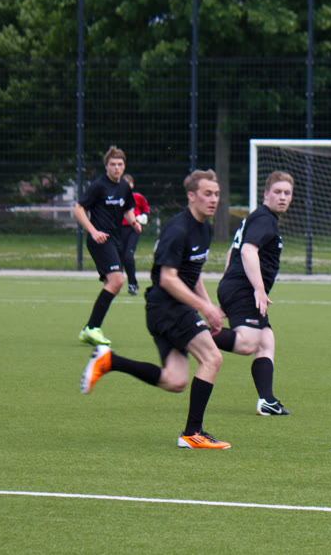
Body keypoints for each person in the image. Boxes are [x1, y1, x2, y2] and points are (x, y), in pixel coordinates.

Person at [80, 169, 231, 449]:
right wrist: (204, 308)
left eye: (217, 194)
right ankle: (192, 433)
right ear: (191, 196)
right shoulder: (178, 229)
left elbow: (193, 273)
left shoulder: (204, 228)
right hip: (168, 308)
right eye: (208, 194)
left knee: (175, 380)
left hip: (172, 308)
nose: (214, 199)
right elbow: (168, 279)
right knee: (212, 358)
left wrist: (208, 305)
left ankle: (110, 361)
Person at [211, 171, 294, 416]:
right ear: (266, 194)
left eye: (287, 193)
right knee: (248, 343)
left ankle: (266, 401)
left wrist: (227, 288)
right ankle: (188, 333)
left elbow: (231, 253)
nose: (282, 197)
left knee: (266, 340)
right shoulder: (264, 218)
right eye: (277, 192)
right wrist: (258, 288)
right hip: (245, 288)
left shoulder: (258, 218)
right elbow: (247, 251)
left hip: (235, 287)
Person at [73, 146, 142, 346]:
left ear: (124, 166)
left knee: (111, 284)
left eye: (120, 164)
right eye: (112, 164)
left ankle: (90, 329)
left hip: (115, 240)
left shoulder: (124, 187)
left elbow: (127, 208)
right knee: (117, 281)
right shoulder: (98, 185)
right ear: (106, 166)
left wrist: (134, 222)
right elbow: (78, 209)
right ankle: (92, 328)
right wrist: (93, 231)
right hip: (100, 240)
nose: (116, 168)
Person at [119, 174, 151, 296]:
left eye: (129, 183)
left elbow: (145, 210)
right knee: (120, 257)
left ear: (132, 185)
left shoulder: (137, 197)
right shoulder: (116, 198)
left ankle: (131, 284)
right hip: (119, 229)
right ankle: (129, 281)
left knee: (128, 256)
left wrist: (143, 217)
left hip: (133, 228)